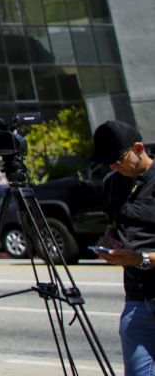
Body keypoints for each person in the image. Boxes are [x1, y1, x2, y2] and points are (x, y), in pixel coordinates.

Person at [93, 120, 155, 376]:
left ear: (138, 148)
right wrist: (106, 242)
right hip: (137, 298)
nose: (115, 166)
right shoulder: (112, 183)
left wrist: (140, 258)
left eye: (119, 160)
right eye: (109, 163)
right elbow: (113, 225)